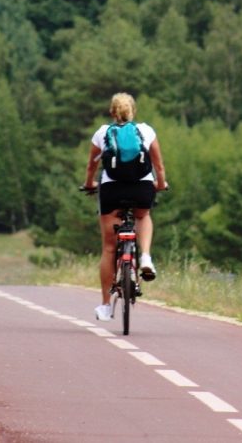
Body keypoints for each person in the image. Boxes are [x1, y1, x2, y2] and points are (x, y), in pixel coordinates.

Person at [82, 92, 168, 321]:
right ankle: (146, 257)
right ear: (133, 111)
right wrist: (160, 184)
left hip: (112, 189)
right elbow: (158, 166)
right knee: (143, 216)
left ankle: (105, 306)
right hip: (142, 187)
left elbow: (92, 166)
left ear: (112, 112)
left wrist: (89, 183)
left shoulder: (102, 133)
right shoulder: (146, 131)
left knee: (109, 249)